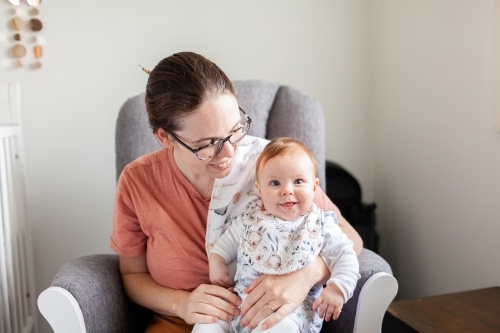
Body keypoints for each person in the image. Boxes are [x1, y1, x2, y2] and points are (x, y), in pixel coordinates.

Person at [110, 51, 363, 333]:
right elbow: (132, 274)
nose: (230, 152)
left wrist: (304, 277)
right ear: (164, 137)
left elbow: (349, 239)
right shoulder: (138, 181)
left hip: (268, 319)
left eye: (234, 130)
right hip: (180, 322)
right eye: (208, 143)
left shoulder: (272, 166)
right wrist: (181, 303)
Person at [192, 138, 360, 333]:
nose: (287, 190)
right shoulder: (250, 218)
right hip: (240, 307)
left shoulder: (321, 223)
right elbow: (223, 245)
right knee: (207, 324)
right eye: (274, 183)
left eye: (298, 181)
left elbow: (346, 256)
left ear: (314, 187)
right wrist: (216, 264)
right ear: (259, 190)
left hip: (290, 314)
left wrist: (337, 288)